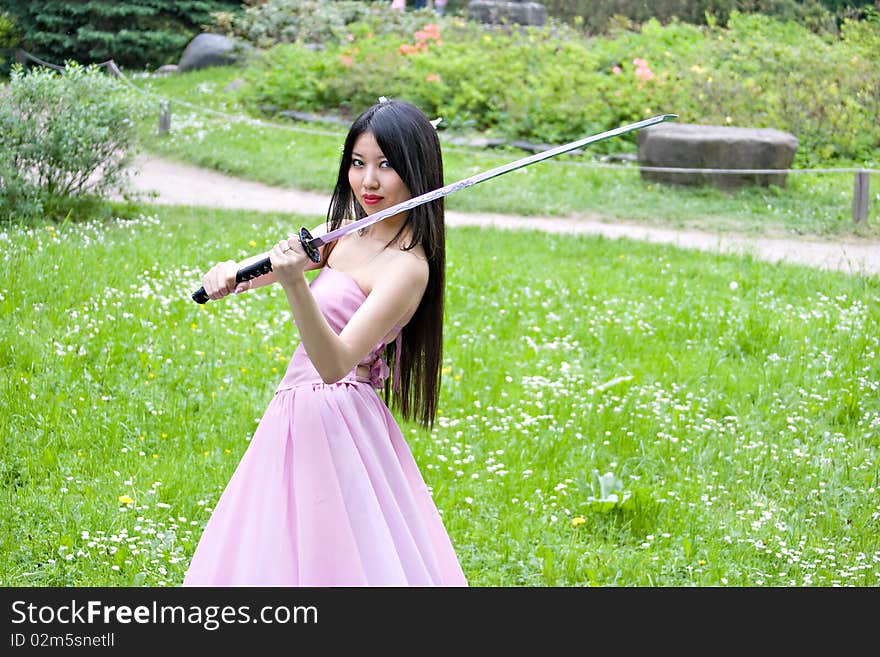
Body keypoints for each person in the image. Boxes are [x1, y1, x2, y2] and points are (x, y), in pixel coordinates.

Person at [183, 99, 468, 587]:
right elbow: (274, 261)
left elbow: (334, 363)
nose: (369, 182)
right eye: (358, 164)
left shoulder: (407, 268)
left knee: (335, 554)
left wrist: (296, 284)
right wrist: (234, 275)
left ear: (418, 170)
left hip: (336, 417)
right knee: (282, 545)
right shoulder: (346, 231)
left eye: (387, 165)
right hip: (295, 412)